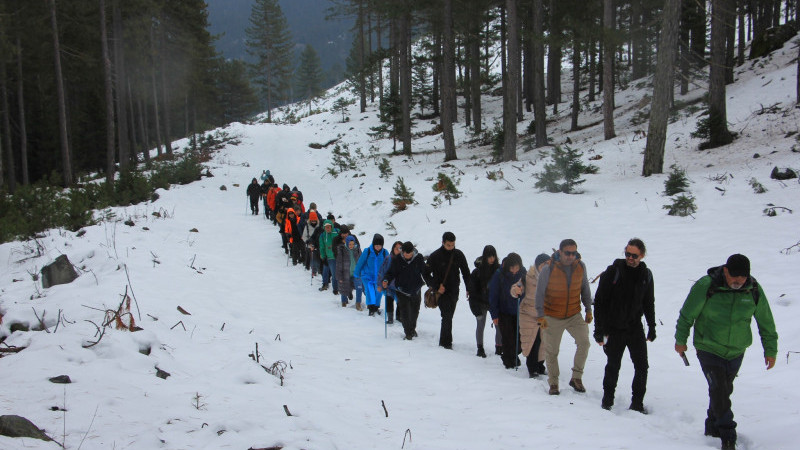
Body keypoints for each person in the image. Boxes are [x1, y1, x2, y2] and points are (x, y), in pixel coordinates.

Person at [675, 254, 777, 450]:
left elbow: (766, 321)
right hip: (708, 347)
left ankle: (712, 425)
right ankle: (728, 436)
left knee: (723, 390)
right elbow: (687, 314)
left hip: (736, 351)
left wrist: (770, 350)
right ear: (726, 271)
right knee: (720, 390)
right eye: (735, 277)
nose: (738, 281)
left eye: (743, 277)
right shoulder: (707, 285)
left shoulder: (753, 289)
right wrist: (681, 340)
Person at [593, 239, 656, 413]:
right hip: (614, 327)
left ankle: (637, 403)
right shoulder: (613, 272)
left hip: (635, 327)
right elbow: (599, 302)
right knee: (613, 364)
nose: (630, 258)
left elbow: (649, 302)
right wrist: (599, 330)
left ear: (642, 256)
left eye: (634, 255)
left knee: (642, 366)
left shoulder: (646, 275)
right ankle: (607, 400)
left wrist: (652, 326)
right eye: (627, 254)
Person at [534, 239, 593, 395]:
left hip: (574, 314)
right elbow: (539, 294)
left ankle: (576, 378)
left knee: (584, 343)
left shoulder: (580, 266)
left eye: (573, 253)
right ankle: (553, 383)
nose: (570, 256)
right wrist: (541, 316)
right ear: (560, 252)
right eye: (567, 253)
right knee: (552, 350)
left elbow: (585, 288)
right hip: (552, 315)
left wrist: (588, 310)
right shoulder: (548, 269)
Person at [423, 232, 471, 349]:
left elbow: (466, 272)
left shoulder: (458, 254)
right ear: (443, 243)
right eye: (448, 245)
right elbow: (425, 274)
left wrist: (469, 288)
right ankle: (445, 344)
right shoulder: (435, 256)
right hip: (441, 292)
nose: (451, 247)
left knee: (449, 315)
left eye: (453, 245)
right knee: (446, 315)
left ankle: (445, 341)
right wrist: (436, 286)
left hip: (454, 290)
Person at [513, 253, 550, 378]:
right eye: (543, 264)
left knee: (543, 343)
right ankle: (532, 368)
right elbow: (516, 287)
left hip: (544, 315)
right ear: (538, 265)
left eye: (548, 264)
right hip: (528, 314)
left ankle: (540, 366)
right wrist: (516, 290)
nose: (546, 267)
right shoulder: (528, 277)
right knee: (531, 342)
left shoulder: (552, 277)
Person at [488, 253, 526, 369]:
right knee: (508, 337)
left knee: (519, 338)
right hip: (504, 311)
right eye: (512, 268)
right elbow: (493, 295)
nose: (514, 270)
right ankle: (509, 361)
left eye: (516, 267)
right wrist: (494, 314)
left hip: (518, 311)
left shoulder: (523, 274)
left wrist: (522, 293)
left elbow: (528, 291)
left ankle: (513, 355)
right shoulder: (500, 274)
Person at [383, 241, 426, 340]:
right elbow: (391, 273)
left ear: (412, 251)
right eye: (405, 253)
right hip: (402, 290)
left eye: (409, 253)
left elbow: (425, 272)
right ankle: (408, 333)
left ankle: (412, 329)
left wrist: (432, 283)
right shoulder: (397, 259)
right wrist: (386, 279)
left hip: (416, 289)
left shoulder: (418, 258)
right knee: (405, 312)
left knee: (414, 312)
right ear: (402, 252)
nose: (407, 255)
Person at [467, 245, 501, 358]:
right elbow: (472, 290)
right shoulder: (478, 271)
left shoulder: (499, 270)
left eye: (493, 257)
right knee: (481, 325)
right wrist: (475, 306)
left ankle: (499, 347)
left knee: (498, 325)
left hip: (494, 303)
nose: (492, 259)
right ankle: (480, 348)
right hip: (480, 302)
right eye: (489, 257)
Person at [354, 234, 389, 316]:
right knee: (370, 292)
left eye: (379, 245)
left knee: (378, 292)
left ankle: (376, 307)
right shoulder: (368, 251)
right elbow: (360, 263)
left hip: (379, 277)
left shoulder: (384, 253)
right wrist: (356, 273)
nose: (377, 247)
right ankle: (371, 308)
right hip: (367, 276)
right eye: (376, 245)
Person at [378, 241, 404, 324]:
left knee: (400, 301)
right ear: (393, 249)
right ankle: (390, 318)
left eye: (400, 249)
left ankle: (399, 316)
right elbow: (382, 272)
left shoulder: (404, 260)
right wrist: (380, 284)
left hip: (399, 285)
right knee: (389, 301)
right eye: (396, 249)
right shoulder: (388, 258)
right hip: (388, 284)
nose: (398, 251)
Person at [336, 235, 363, 309]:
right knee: (344, 288)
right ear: (347, 243)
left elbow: (362, 261)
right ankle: (344, 302)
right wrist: (340, 276)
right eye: (349, 244)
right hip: (345, 273)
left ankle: (358, 303)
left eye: (352, 244)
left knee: (359, 287)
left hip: (356, 274)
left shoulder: (357, 249)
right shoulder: (342, 250)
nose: (351, 246)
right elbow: (339, 264)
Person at [318, 220, 339, 292]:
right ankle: (333, 288)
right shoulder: (323, 236)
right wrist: (323, 257)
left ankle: (337, 288)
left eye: (329, 227)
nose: (327, 228)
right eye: (326, 227)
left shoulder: (336, 232)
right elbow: (322, 247)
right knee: (331, 273)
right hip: (329, 257)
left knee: (337, 273)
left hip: (338, 256)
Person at [302, 211, 322, 277]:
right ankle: (313, 271)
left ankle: (319, 270)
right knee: (312, 259)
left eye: (315, 220)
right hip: (310, 245)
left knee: (318, 259)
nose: (313, 222)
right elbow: (304, 236)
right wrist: (308, 242)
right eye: (312, 220)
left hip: (318, 245)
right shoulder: (307, 226)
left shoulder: (319, 226)